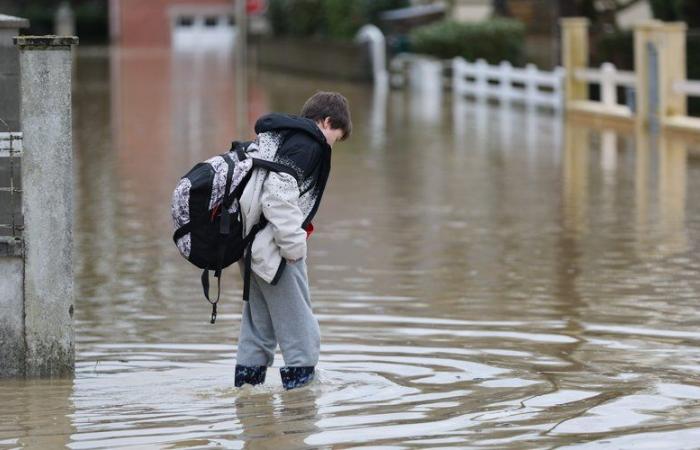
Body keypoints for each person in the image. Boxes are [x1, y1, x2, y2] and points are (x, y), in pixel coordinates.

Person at [234, 91, 351, 390]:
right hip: (274, 247)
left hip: (247, 243)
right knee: (301, 329)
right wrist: (294, 247)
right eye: (335, 138)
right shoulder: (308, 144)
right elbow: (277, 193)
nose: (331, 146)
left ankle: (249, 403)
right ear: (326, 122)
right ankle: (301, 408)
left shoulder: (278, 138)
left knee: (258, 328)